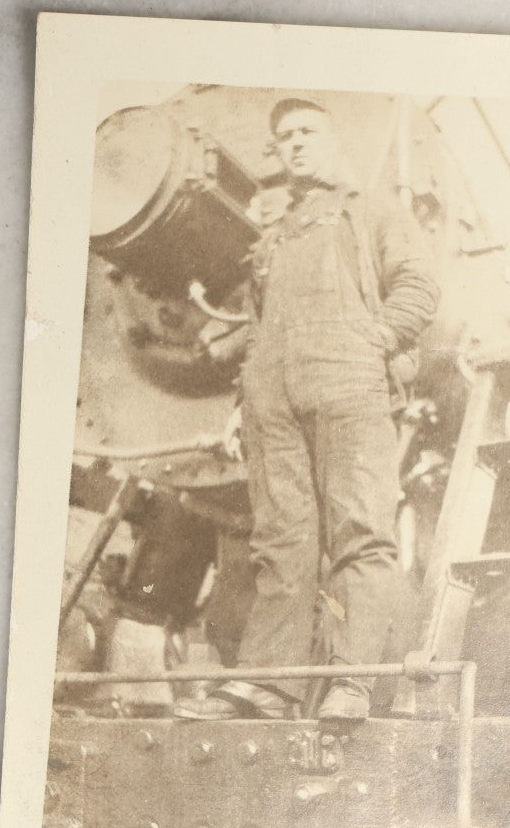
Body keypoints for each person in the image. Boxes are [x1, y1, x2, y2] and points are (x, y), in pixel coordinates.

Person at [176, 97, 440, 721]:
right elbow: (259, 327)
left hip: (347, 379)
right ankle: (266, 683)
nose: (295, 143)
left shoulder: (374, 209)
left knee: (360, 528)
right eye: (284, 136)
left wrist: (375, 340)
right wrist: (245, 402)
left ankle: (354, 680)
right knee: (281, 540)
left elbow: (419, 286)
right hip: (272, 395)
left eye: (307, 132)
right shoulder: (272, 239)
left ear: (332, 139)